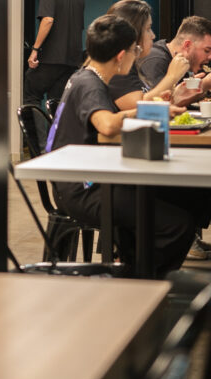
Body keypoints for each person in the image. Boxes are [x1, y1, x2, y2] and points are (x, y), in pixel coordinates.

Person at [45, 15, 200, 277]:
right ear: (120, 55)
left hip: (83, 179)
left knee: (172, 202)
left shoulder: (85, 77)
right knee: (178, 224)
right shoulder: (90, 84)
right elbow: (106, 124)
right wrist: (146, 109)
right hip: (83, 189)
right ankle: (138, 279)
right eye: (134, 50)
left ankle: (134, 271)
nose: (136, 55)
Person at [103, 0, 191, 110]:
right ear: (132, 32)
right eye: (148, 29)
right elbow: (137, 108)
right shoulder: (117, 67)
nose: (153, 36)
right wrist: (172, 76)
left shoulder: (133, 66)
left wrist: (176, 94)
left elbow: (148, 99)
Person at [23, 0, 85, 107]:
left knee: (31, 94)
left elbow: (48, 20)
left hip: (51, 59)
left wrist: (35, 49)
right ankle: (55, 130)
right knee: (56, 103)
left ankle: (35, 130)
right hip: (71, 61)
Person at [139, 15, 211, 104]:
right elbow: (160, 104)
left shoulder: (186, 63)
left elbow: (181, 97)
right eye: (207, 50)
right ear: (187, 45)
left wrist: (209, 90)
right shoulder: (155, 60)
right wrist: (205, 84)